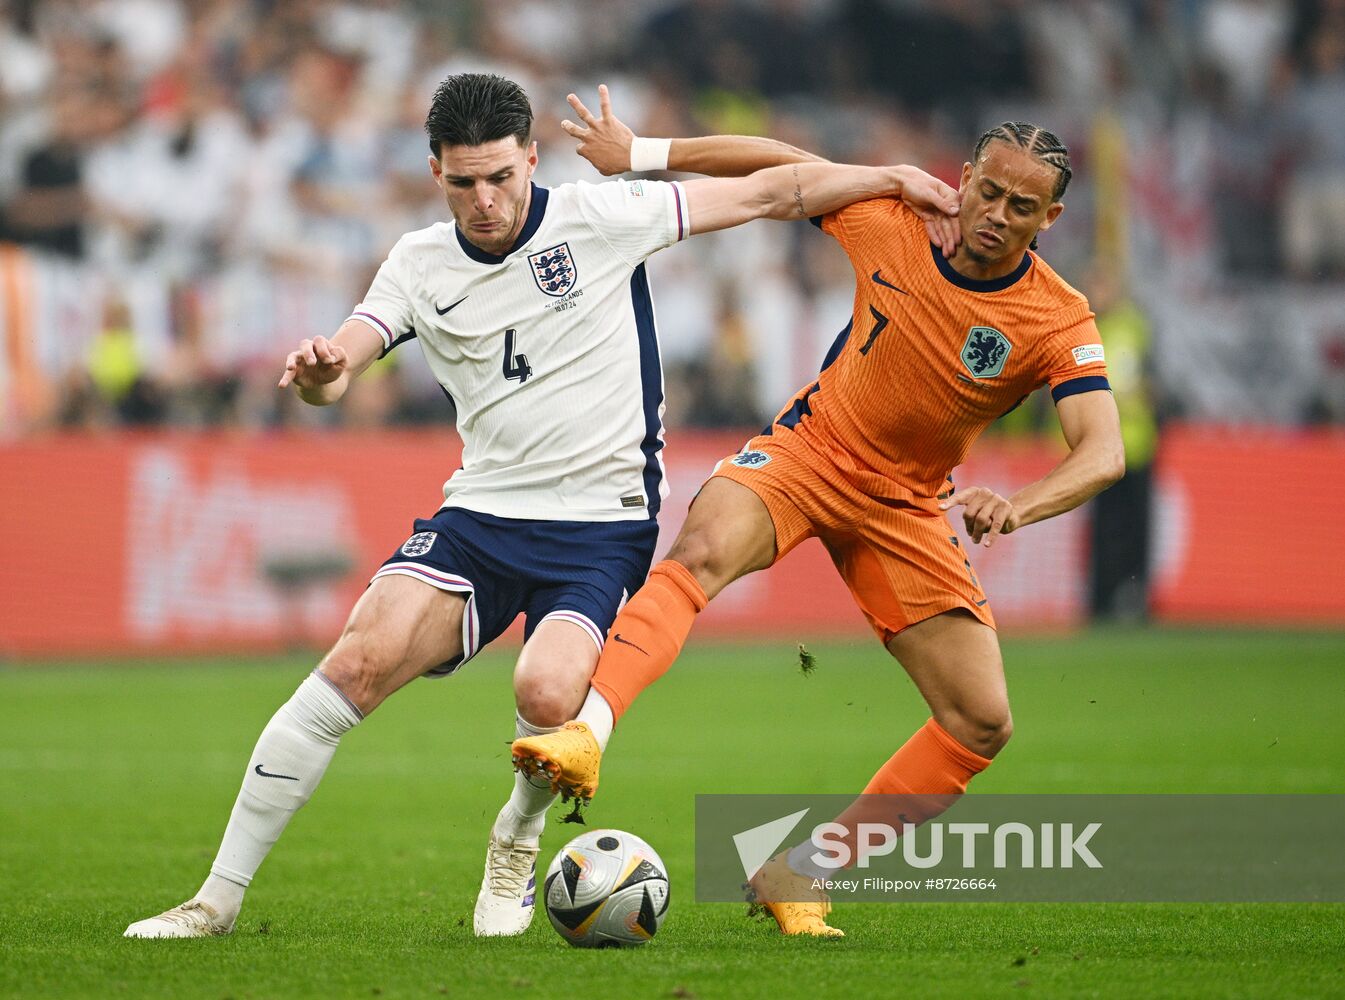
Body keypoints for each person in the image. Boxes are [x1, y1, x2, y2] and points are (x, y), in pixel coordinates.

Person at [123, 73, 963, 940]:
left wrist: (889, 175)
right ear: (434, 173)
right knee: (353, 663)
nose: (485, 201)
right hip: (482, 517)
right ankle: (214, 903)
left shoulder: (601, 220)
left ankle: (515, 840)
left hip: (601, 528)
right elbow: (347, 359)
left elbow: (770, 191)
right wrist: (323, 372)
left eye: (500, 177)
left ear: (532, 157)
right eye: (462, 183)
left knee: (548, 689)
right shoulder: (417, 262)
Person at [512, 92, 1125, 937]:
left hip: (907, 506)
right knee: (699, 553)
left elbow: (1103, 451)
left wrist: (1017, 505)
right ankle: (585, 732)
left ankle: (801, 873)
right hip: (811, 452)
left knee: (980, 722)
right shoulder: (893, 219)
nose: (995, 215)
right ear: (964, 178)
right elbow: (779, 166)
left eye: (1021, 207)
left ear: (1050, 217)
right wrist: (644, 153)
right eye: (987, 191)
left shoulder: (1056, 316)